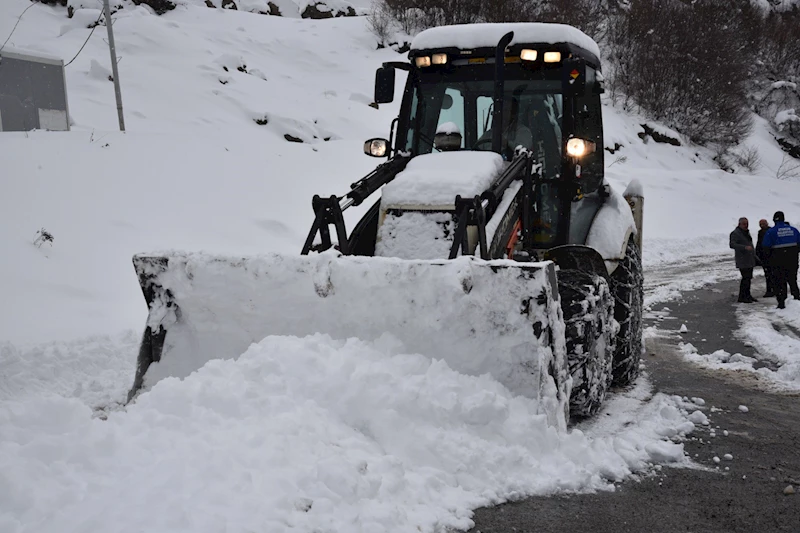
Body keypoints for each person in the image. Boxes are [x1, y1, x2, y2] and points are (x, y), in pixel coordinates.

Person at [762, 211, 800, 309]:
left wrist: (769, 259)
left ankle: (781, 303)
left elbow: (766, 247)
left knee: (780, 281)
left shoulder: (771, 232)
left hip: (778, 261)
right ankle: (797, 299)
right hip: (792, 260)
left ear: (774, 220)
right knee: (792, 280)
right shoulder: (794, 230)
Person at [729, 217, 758, 303]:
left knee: (748, 278)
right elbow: (732, 244)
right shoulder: (735, 233)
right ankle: (742, 297)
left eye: (747, 223)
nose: (746, 225)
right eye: (744, 224)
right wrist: (744, 248)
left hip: (749, 259)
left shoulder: (746, 232)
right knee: (745, 278)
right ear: (739, 224)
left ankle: (747, 295)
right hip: (742, 260)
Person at [756, 218, 775, 297]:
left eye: (763, 224)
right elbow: (759, 244)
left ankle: (772, 290)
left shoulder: (771, 231)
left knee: (771, 274)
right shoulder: (760, 232)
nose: (762, 225)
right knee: (768, 274)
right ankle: (770, 290)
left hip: (770, 256)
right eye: (761, 224)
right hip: (764, 257)